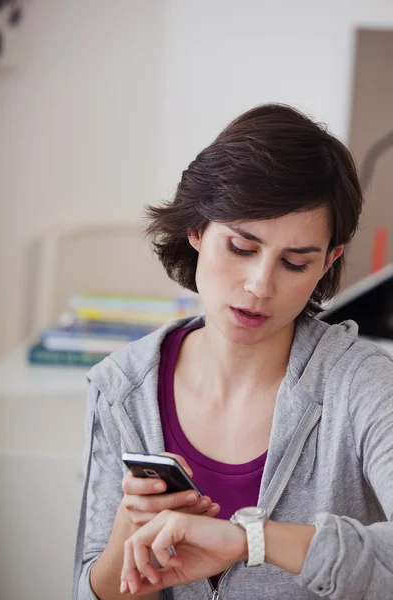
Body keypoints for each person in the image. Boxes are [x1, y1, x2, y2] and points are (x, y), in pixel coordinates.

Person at [72, 104, 393, 600]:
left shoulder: (363, 384)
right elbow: (91, 590)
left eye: (294, 262)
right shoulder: (123, 389)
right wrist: (128, 532)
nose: (260, 285)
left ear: (328, 261)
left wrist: (251, 540)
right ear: (197, 230)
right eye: (242, 248)